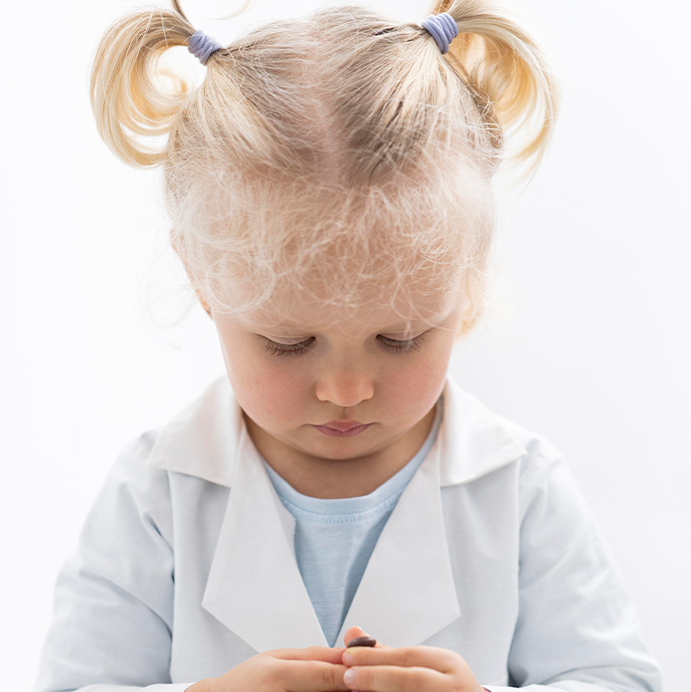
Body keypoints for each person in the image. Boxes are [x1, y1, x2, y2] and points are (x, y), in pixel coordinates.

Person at [32, 1, 663, 691]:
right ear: (201, 278)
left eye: (400, 339)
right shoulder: (153, 497)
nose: (346, 389)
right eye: (288, 342)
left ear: (468, 281)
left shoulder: (523, 489)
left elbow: (618, 679)